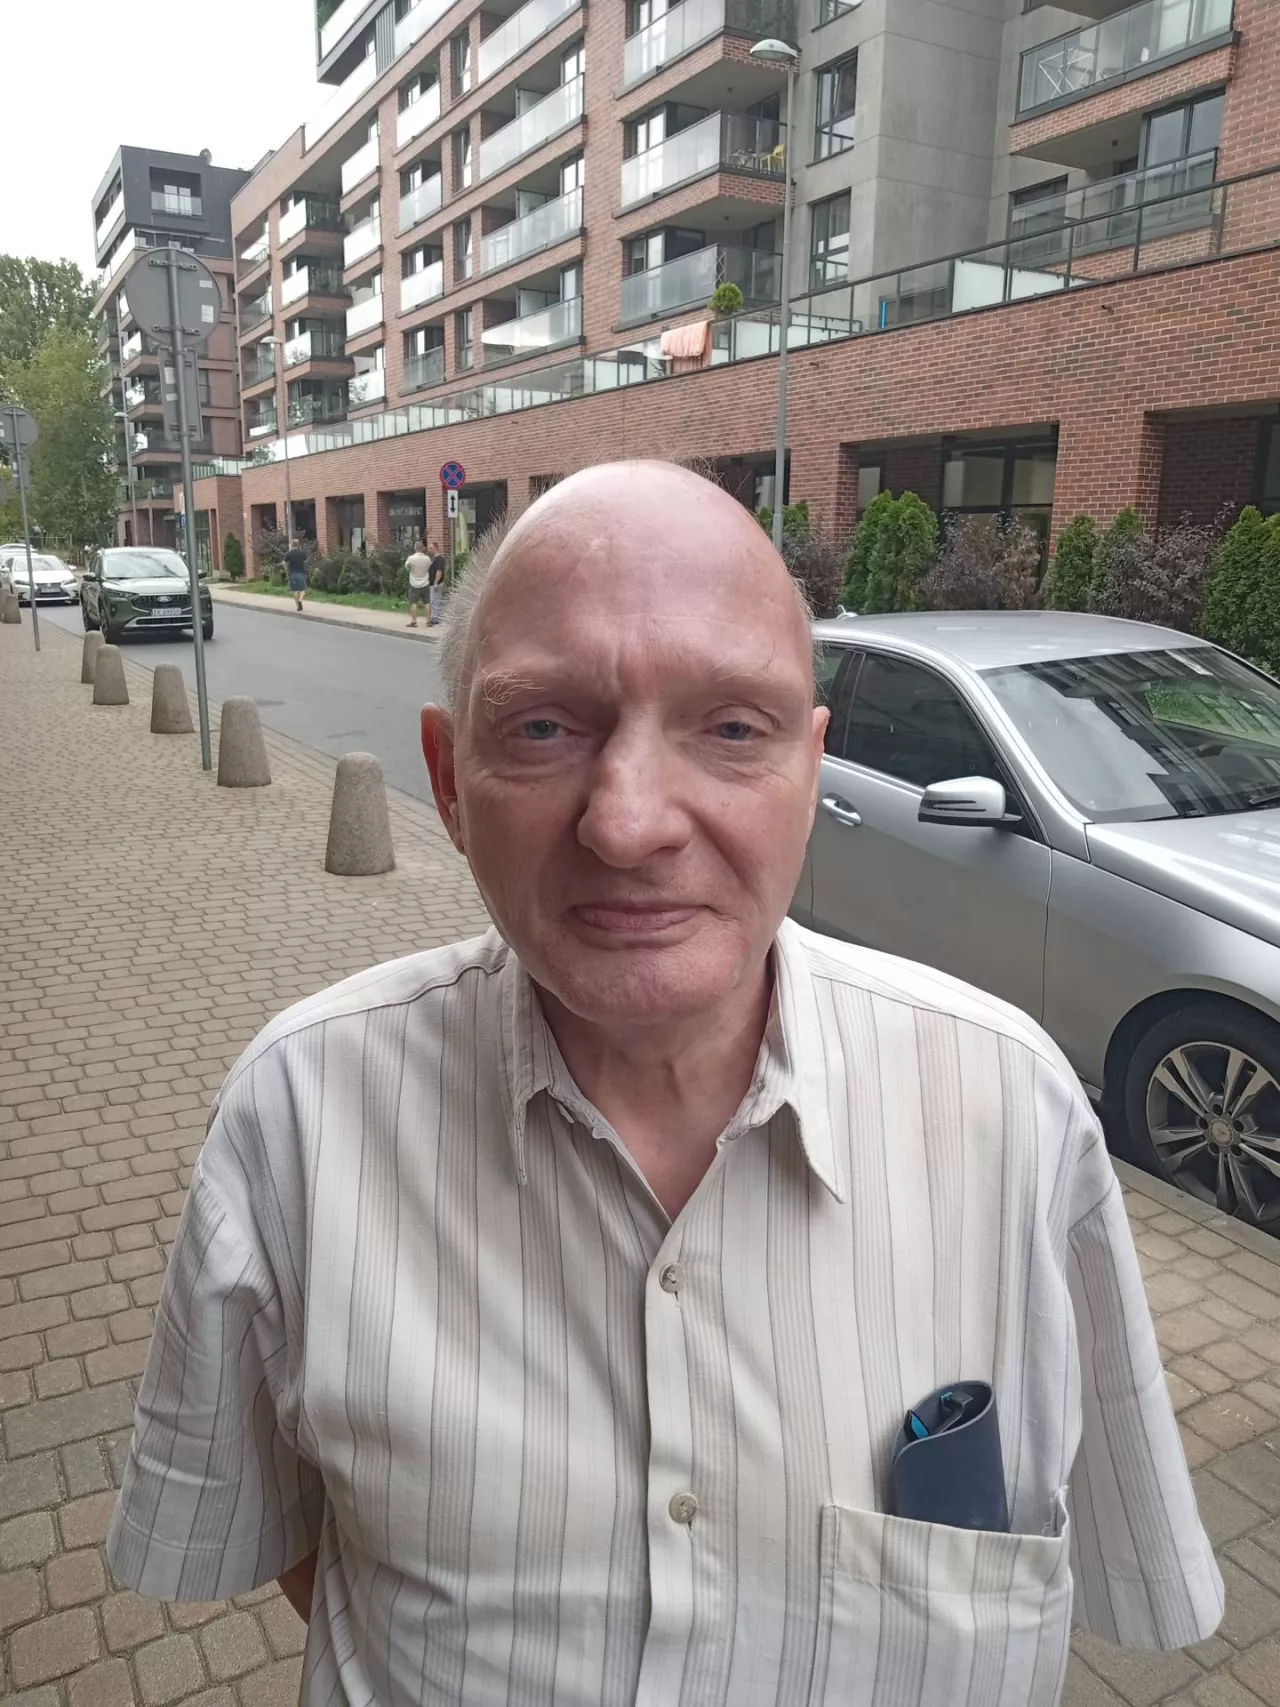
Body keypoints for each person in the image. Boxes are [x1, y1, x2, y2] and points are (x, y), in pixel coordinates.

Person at [106, 462, 1222, 1707]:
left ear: (810, 776)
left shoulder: (1012, 1112)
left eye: (732, 730)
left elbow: (1113, 1560)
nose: (629, 823)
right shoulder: (296, 1121)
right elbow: (294, 1550)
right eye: (542, 727)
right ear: (447, 783)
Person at [406, 536, 432, 627]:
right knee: (427, 602)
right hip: (425, 583)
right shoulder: (427, 558)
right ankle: (428, 621)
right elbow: (429, 567)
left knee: (414, 603)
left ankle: (414, 621)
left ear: (415, 548)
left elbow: (407, 567)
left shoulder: (411, 558)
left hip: (414, 584)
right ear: (423, 548)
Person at [283, 536, 309, 612]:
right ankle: (300, 599)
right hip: (301, 573)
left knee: (294, 590)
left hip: (292, 574)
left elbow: (284, 562)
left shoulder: (289, 553)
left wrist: (286, 570)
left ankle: (298, 606)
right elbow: (306, 560)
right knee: (302, 589)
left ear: (292, 545)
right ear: (298, 545)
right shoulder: (302, 553)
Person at [427, 556, 446, 627]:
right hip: (433, 583)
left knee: (436, 601)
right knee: (433, 601)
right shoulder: (434, 560)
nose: (429, 550)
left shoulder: (439, 560)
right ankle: (434, 618)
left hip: (436, 584)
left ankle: (437, 619)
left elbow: (439, 571)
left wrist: (436, 582)